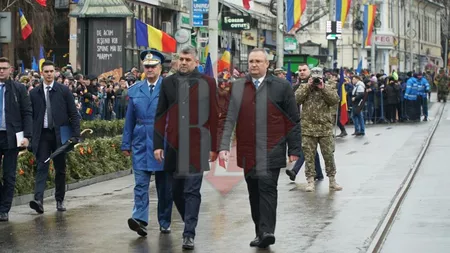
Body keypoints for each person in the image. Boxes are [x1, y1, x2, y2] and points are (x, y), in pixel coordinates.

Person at [218, 48, 301, 248]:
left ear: (267, 64)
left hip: (272, 147)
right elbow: (229, 118)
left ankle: (267, 230)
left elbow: (293, 121)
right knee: (254, 191)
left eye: (258, 61)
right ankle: (260, 231)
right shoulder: (238, 86)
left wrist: (294, 150)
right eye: (251, 61)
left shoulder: (281, 87)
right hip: (247, 150)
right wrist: (224, 146)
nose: (254, 64)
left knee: (267, 188)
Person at [153, 45, 219, 250]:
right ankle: (188, 218)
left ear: (196, 62)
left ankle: (189, 232)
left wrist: (215, 146)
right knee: (175, 191)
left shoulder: (208, 82)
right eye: (181, 59)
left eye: (187, 59)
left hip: (197, 144)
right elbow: (160, 114)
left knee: (192, 190)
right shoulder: (168, 83)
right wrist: (158, 144)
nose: (183, 62)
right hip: (173, 144)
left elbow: (215, 117)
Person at [121, 49, 173, 237]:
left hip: (163, 140)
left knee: (164, 186)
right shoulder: (135, 90)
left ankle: (165, 220)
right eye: (147, 66)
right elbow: (130, 120)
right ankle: (140, 219)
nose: (150, 69)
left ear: (160, 68)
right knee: (140, 183)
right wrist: (126, 143)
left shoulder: (169, 88)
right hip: (141, 141)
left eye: (153, 66)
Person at [29, 60, 80, 214]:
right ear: (42, 73)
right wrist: (29, 136)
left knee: (60, 169)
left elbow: (73, 114)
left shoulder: (63, 91)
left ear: (55, 73)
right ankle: (38, 200)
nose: (49, 74)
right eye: (46, 72)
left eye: (52, 71)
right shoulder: (34, 93)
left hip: (60, 135)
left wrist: (75, 135)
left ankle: (59, 199)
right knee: (42, 166)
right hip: (43, 135)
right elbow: (29, 116)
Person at [295, 67, 343, 192]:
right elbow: (296, 99)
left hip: (324, 128)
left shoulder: (328, 87)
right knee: (309, 156)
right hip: (308, 128)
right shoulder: (304, 87)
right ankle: (310, 181)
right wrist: (308, 86)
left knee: (328, 155)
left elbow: (335, 100)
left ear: (322, 77)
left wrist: (323, 88)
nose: (316, 79)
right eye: (314, 77)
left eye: (318, 77)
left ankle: (332, 180)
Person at [0, 57, 32, 222]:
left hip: (11, 136)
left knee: (9, 174)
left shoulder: (18, 89)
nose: (2, 71)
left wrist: (27, 136)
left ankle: (4, 209)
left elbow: (27, 112)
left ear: (10, 69)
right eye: (0, 68)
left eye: (4, 68)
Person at [286, 63, 323, 182]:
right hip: (300, 121)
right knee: (309, 147)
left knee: (307, 147)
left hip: (315, 121)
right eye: (300, 70)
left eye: (304, 70)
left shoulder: (317, 84)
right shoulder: (295, 87)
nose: (302, 72)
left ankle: (295, 171)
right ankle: (319, 173)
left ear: (310, 71)